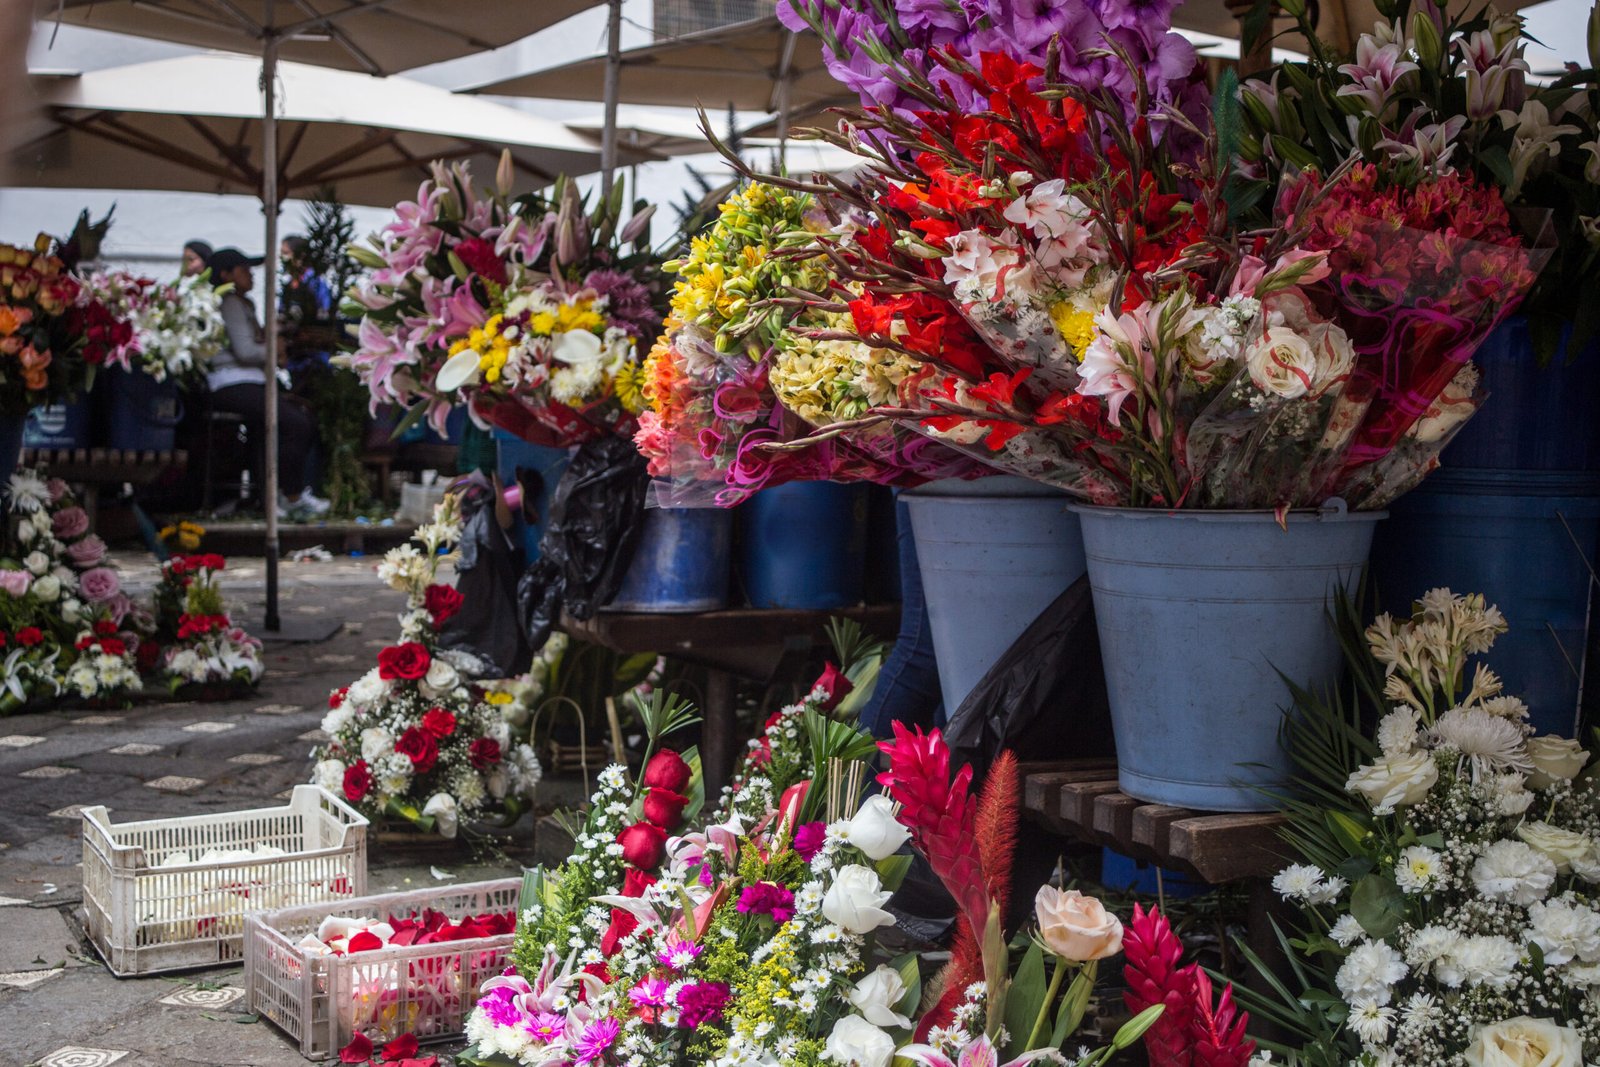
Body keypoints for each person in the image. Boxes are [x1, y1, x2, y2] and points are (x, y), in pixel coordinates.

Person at [206, 246, 329, 519]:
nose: (250, 274)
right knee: (296, 422)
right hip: (233, 382)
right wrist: (275, 349)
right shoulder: (229, 303)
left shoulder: (242, 303)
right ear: (225, 275)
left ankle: (270, 494)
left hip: (249, 380)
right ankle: (290, 494)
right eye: (243, 270)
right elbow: (245, 351)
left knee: (288, 420)